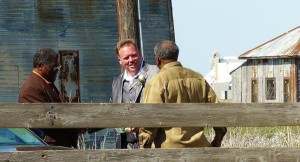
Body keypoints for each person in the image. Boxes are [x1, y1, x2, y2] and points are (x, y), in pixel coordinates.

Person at [139, 40, 227, 148]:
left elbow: (150, 119)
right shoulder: (199, 78)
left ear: (157, 59)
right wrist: (218, 138)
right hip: (200, 149)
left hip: (169, 151)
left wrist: (144, 146)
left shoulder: (157, 81)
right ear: (176, 56)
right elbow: (218, 112)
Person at [18, 48, 80, 148]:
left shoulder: (45, 83)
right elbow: (47, 118)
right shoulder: (32, 88)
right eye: (54, 67)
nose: (57, 70)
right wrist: (78, 123)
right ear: (40, 66)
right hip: (48, 148)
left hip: (57, 146)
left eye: (58, 67)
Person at [110, 39, 159, 149]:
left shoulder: (156, 73)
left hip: (151, 142)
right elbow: (111, 111)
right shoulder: (116, 82)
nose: (131, 60)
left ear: (140, 53)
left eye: (133, 55)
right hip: (125, 145)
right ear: (120, 60)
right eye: (126, 58)